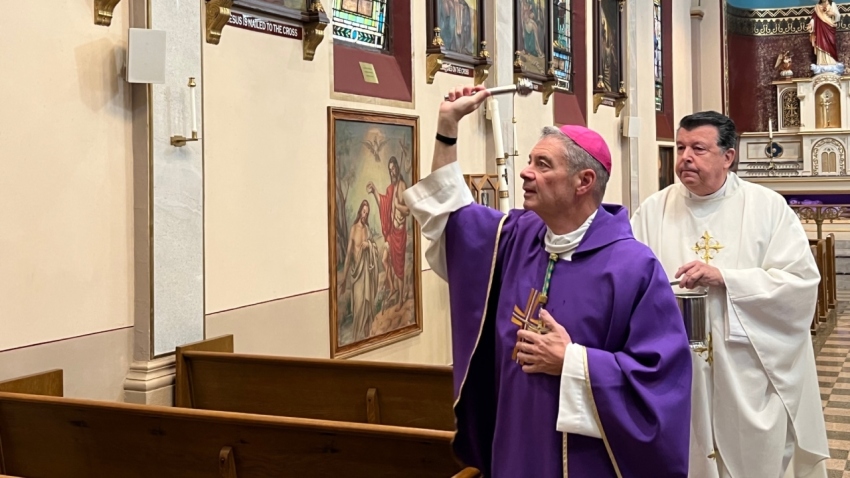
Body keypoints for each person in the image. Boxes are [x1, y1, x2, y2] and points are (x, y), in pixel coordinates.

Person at [402, 84, 692, 477]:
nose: (525, 171)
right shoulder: (517, 236)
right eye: (530, 161)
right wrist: (447, 127)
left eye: (543, 164)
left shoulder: (633, 268)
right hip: (514, 446)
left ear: (583, 181)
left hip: (588, 460)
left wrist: (572, 361)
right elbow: (450, 214)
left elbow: (661, 382)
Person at [630, 111, 830, 478]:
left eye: (698, 148)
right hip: (679, 370)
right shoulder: (652, 211)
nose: (685, 157)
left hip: (747, 370)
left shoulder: (767, 208)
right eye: (681, 147)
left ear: (728, 156)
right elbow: (630, 282)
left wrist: (727, 278)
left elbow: (801, 285)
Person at [367, 156, 409, 308]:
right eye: (390, 170)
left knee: (399, 266)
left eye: (394, 168)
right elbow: (384, 203)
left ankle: (401, 300)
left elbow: (408, 210)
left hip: (399, 232)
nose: (392, 172)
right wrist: (374, 191)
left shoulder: (403, 186)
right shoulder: (391, 189)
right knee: (385, 259)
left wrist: (398, 206)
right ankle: (393, 288)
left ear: (397, 168)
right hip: (391, 232)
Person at [338, 199, 380, 342]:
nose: (365, 215)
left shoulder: (367, 230)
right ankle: (356, 339)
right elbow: (349, 255)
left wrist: (368, 244)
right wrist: (343, 280)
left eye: (367, 213)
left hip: (366, 274)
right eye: (363, 212)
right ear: (359, 211)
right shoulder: (353, 229)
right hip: (357, 275)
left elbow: (375, 248)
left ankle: (368, 339)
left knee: (368, 307)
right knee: (358, 307)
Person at [808, 0, 840, 66]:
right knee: (821, 42)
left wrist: (833, 14)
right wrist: (811, 24)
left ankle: (832, 62)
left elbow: (837, 16)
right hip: (820, 30)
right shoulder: (817, 7)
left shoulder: (832, 4)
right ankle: (821, 63)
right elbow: (814, 18)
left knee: (831, 43)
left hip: (829, 27)